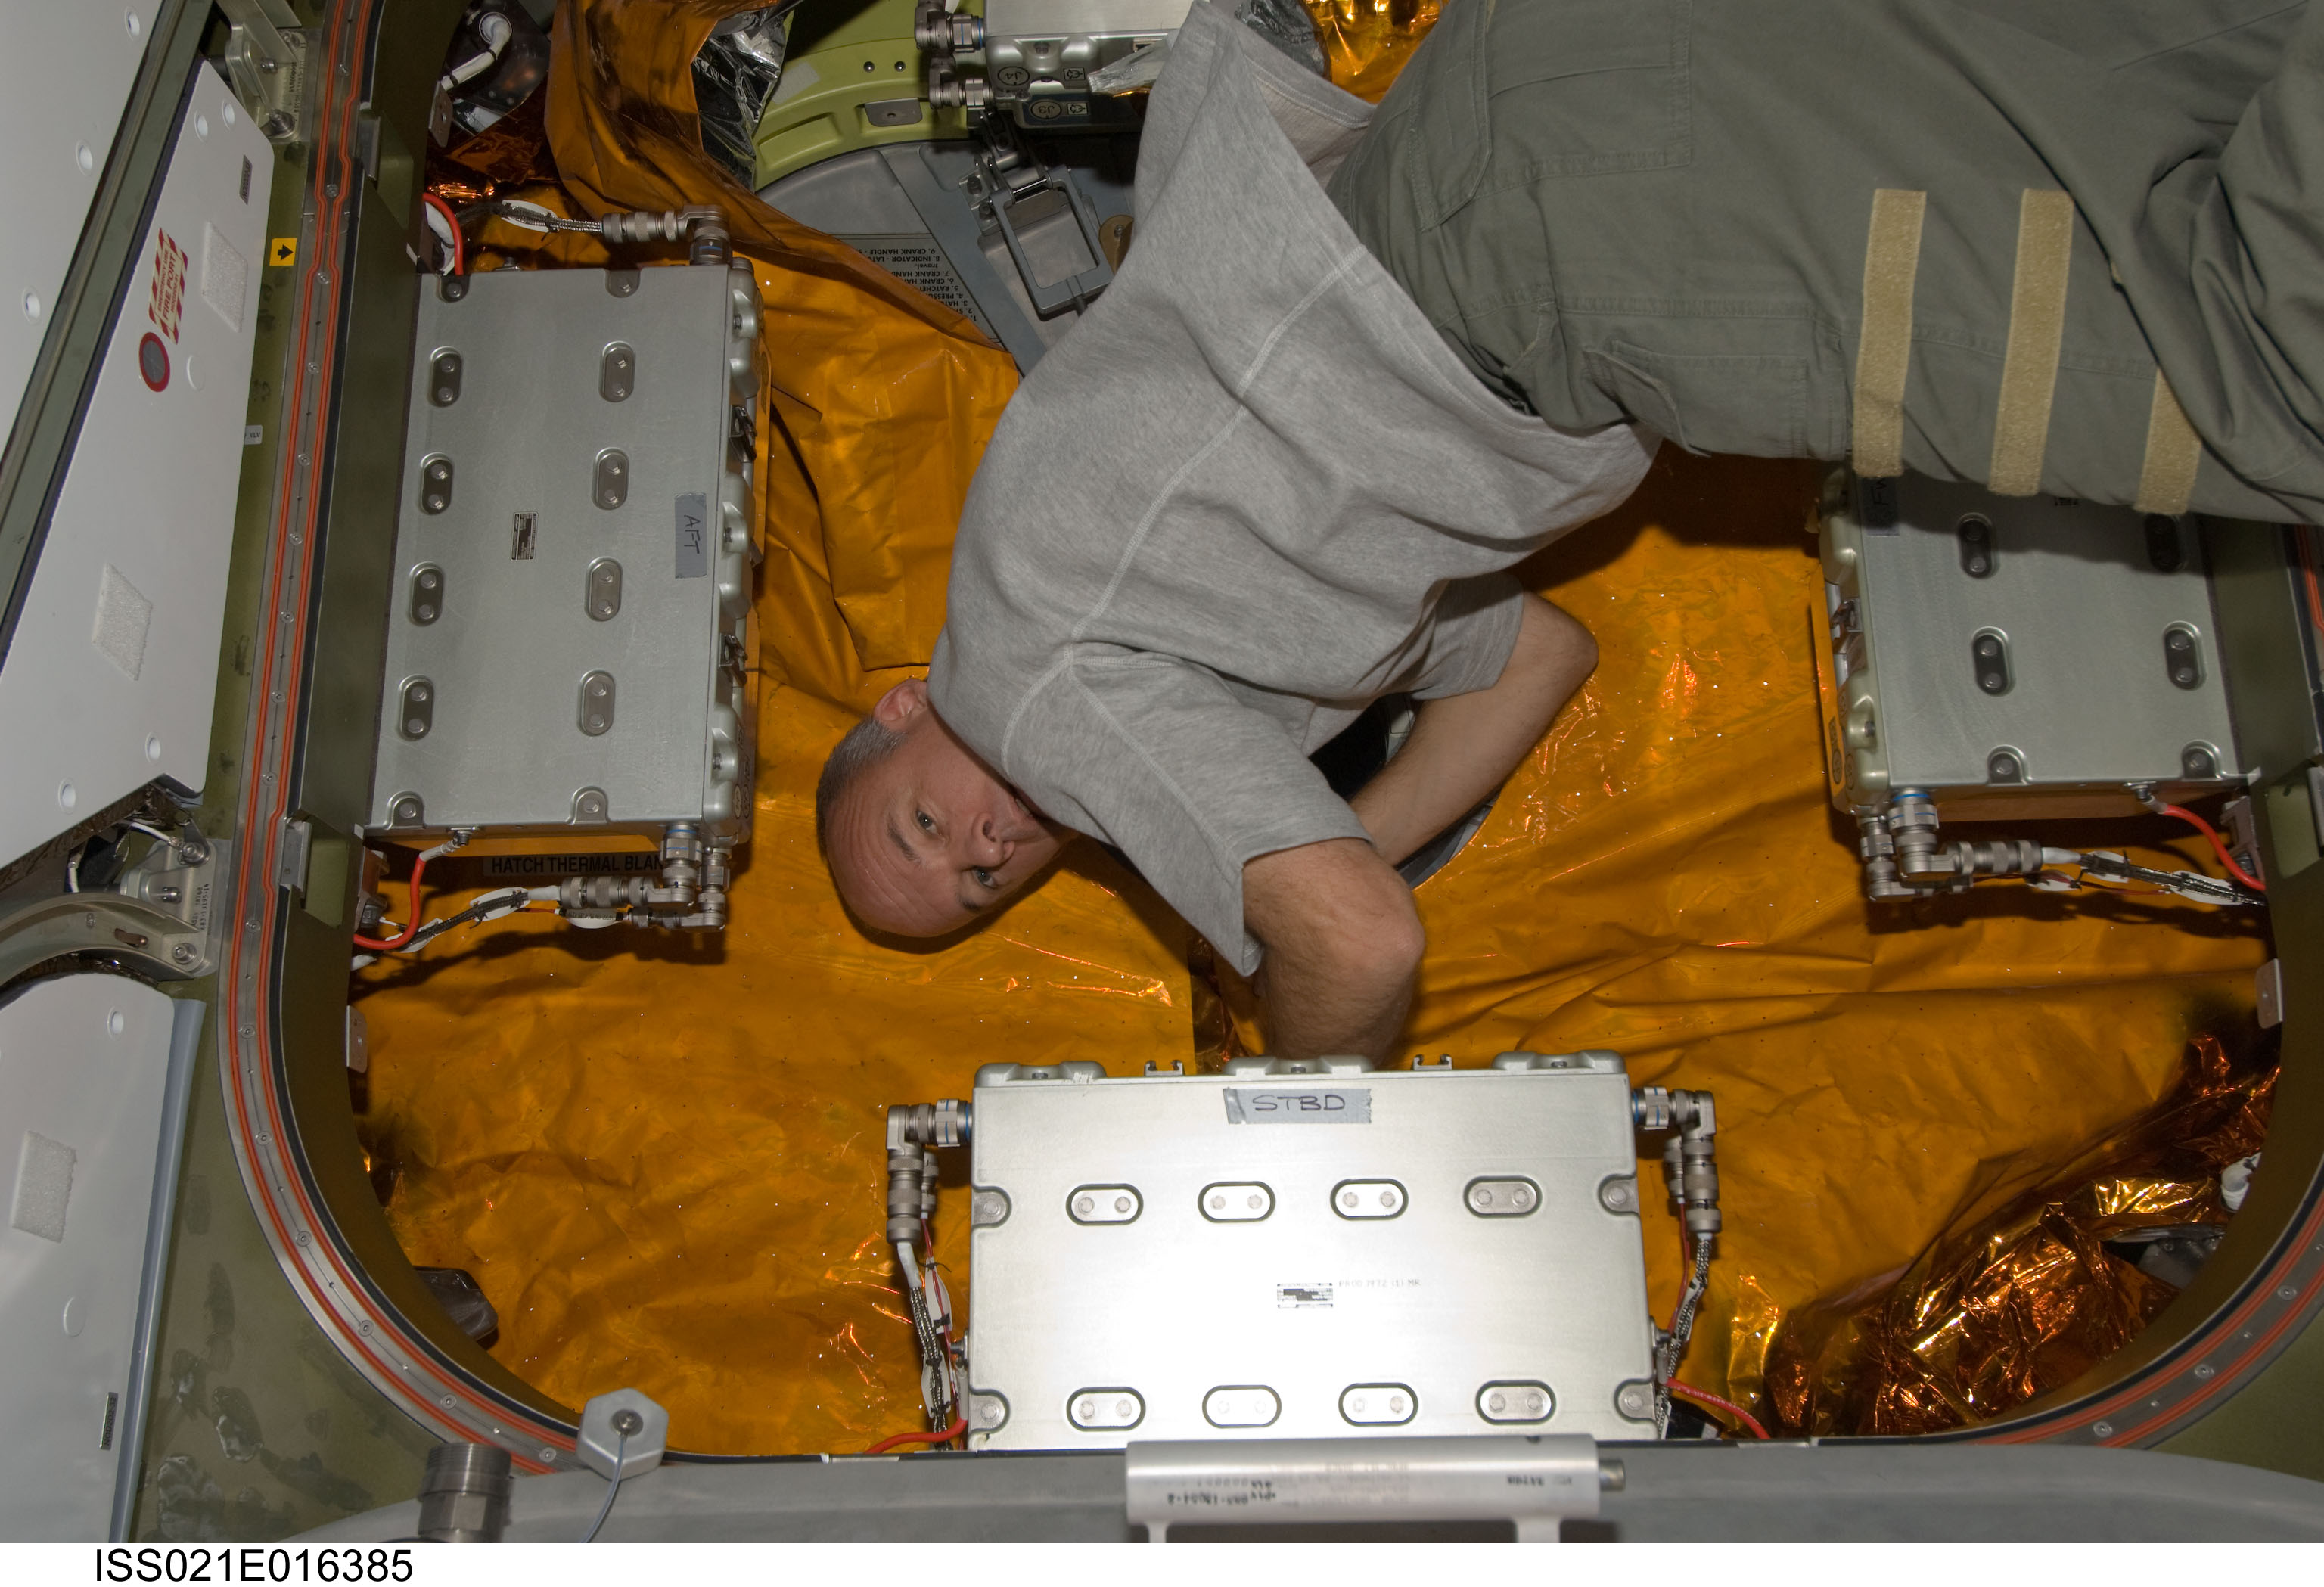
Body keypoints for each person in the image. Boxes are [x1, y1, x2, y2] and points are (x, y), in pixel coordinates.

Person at [820, 0, 2322, 1059]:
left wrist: (1291, 1105)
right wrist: (1338, 835)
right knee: (2200, 67)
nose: (988, 845)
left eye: (925, 825)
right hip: (1545, 96)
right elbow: (1538, 654)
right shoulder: (1142, 593)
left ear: (903, 710)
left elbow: (1359, 943)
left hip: (1576, 249)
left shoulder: (1029, 681)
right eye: (981, 883)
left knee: (2273, 378)